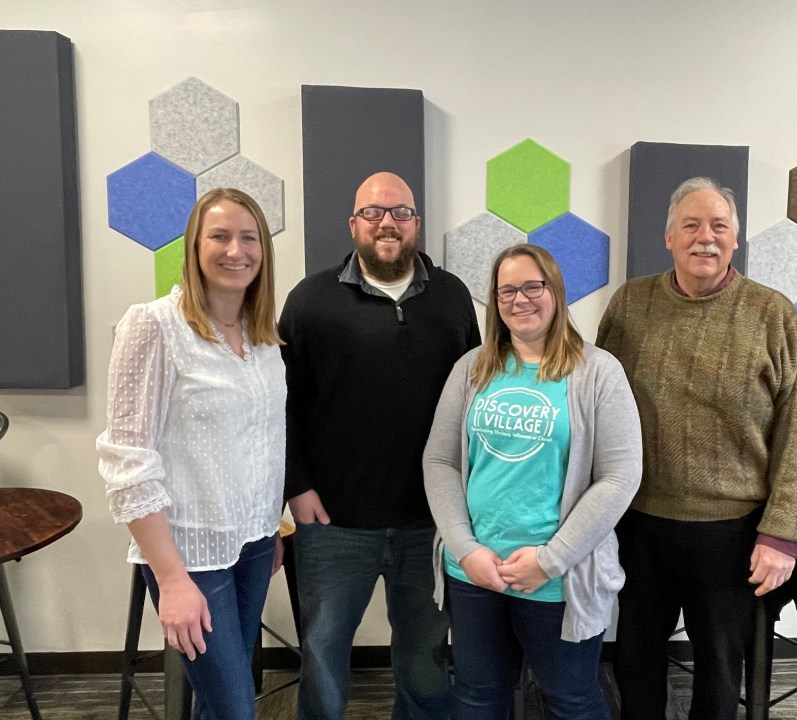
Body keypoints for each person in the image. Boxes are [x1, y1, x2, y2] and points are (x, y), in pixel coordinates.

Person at [595, 176, 797, 720]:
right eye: (691, 225)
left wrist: (782, 534)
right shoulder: (630, 304)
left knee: (719, 669)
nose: (706, 237)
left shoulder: (773, 314)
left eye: (719, 226)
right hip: (639, 521)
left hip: (732, 532)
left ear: (736, 239)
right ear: (669, 237)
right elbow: (597, 402)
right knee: (635, 659)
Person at [279, 171, 479, 720]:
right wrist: (296, 486)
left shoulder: (452, 296)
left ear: (416, 223)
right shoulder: (309, 300)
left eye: (400, 212)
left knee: (425, 659)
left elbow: (475, 399)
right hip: (333, 522)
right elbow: (281, 404)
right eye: (373, 212)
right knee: (322, 654)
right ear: (354, 224)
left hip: (430, 520)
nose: (387, 222)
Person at [423, 243, 642, 719]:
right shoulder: (471, 368)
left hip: (558, 579)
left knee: (571, 700)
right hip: (475, 572)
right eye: (507, 291)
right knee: (477, 696)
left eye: (532, 286)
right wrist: (465, 549)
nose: (520, 299)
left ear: (555, 291)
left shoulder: (598, 372)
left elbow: (620, 476)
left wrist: (550, 560)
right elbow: (440, 462)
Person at [97, 187, 286, 719]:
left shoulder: (262, 336)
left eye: (249, 238)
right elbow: (128, 460)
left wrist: (270, 525)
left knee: (223, 702)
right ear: (194, 246)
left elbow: (264, 440)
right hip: (189, 554)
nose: (236, 250)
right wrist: (172, 579)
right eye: (219, 236)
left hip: (253, 542)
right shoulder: (154, 326)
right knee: (234, 708)